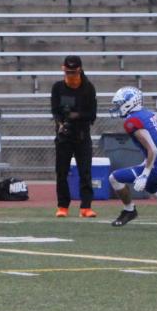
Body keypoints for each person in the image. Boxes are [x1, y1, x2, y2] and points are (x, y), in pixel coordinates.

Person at [106, 87, 157, 229]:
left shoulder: (132, 121)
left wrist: (145, 174)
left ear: (129, 103)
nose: (117, 107)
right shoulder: (145, 113)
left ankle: (129, 211)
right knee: (152, 188)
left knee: (114, 178)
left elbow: (153, 149)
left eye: (119, 103)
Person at [50, 55, 96, 218]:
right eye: (67, 72)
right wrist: (60, 124)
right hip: (64, 136)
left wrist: (77, 116)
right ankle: (63, 206)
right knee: (61, 172)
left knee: (85, 172)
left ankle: (86, 206)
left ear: (80, 70)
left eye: (73, 72)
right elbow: (55, 110)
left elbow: (92, 114)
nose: (70, 75)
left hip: (82, 136)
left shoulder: (88, 88)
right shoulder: (58, 88)